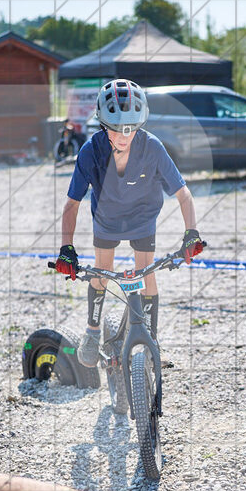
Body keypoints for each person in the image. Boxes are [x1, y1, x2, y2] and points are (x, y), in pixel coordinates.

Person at [55, 79, 205, 367]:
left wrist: (191, 233)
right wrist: (66, 249)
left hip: (142, 216)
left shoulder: (152, 147)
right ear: (103, 125)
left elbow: (183, 194)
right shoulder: (90, 150)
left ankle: (151, 340)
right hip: (107, 217)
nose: (124, 136)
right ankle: (92, 331)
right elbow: (72, 204)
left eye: (131, 128)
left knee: (146, 273)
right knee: (102, 270)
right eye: (116, 129)